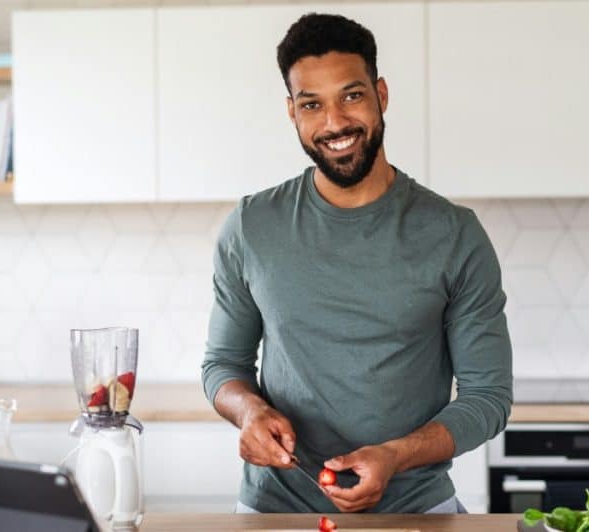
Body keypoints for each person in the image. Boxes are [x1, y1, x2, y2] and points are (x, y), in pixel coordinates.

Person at [201, 12, 512, 514]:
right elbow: (224, 366)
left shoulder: (455, 234)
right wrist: (249, 411)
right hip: (273, 511)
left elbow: (489, 398)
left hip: (417, 510)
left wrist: (394, 456)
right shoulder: (251, 227)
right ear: (291, 112)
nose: (335, 123)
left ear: (381, 95)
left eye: (351, 96)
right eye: (312, 104)